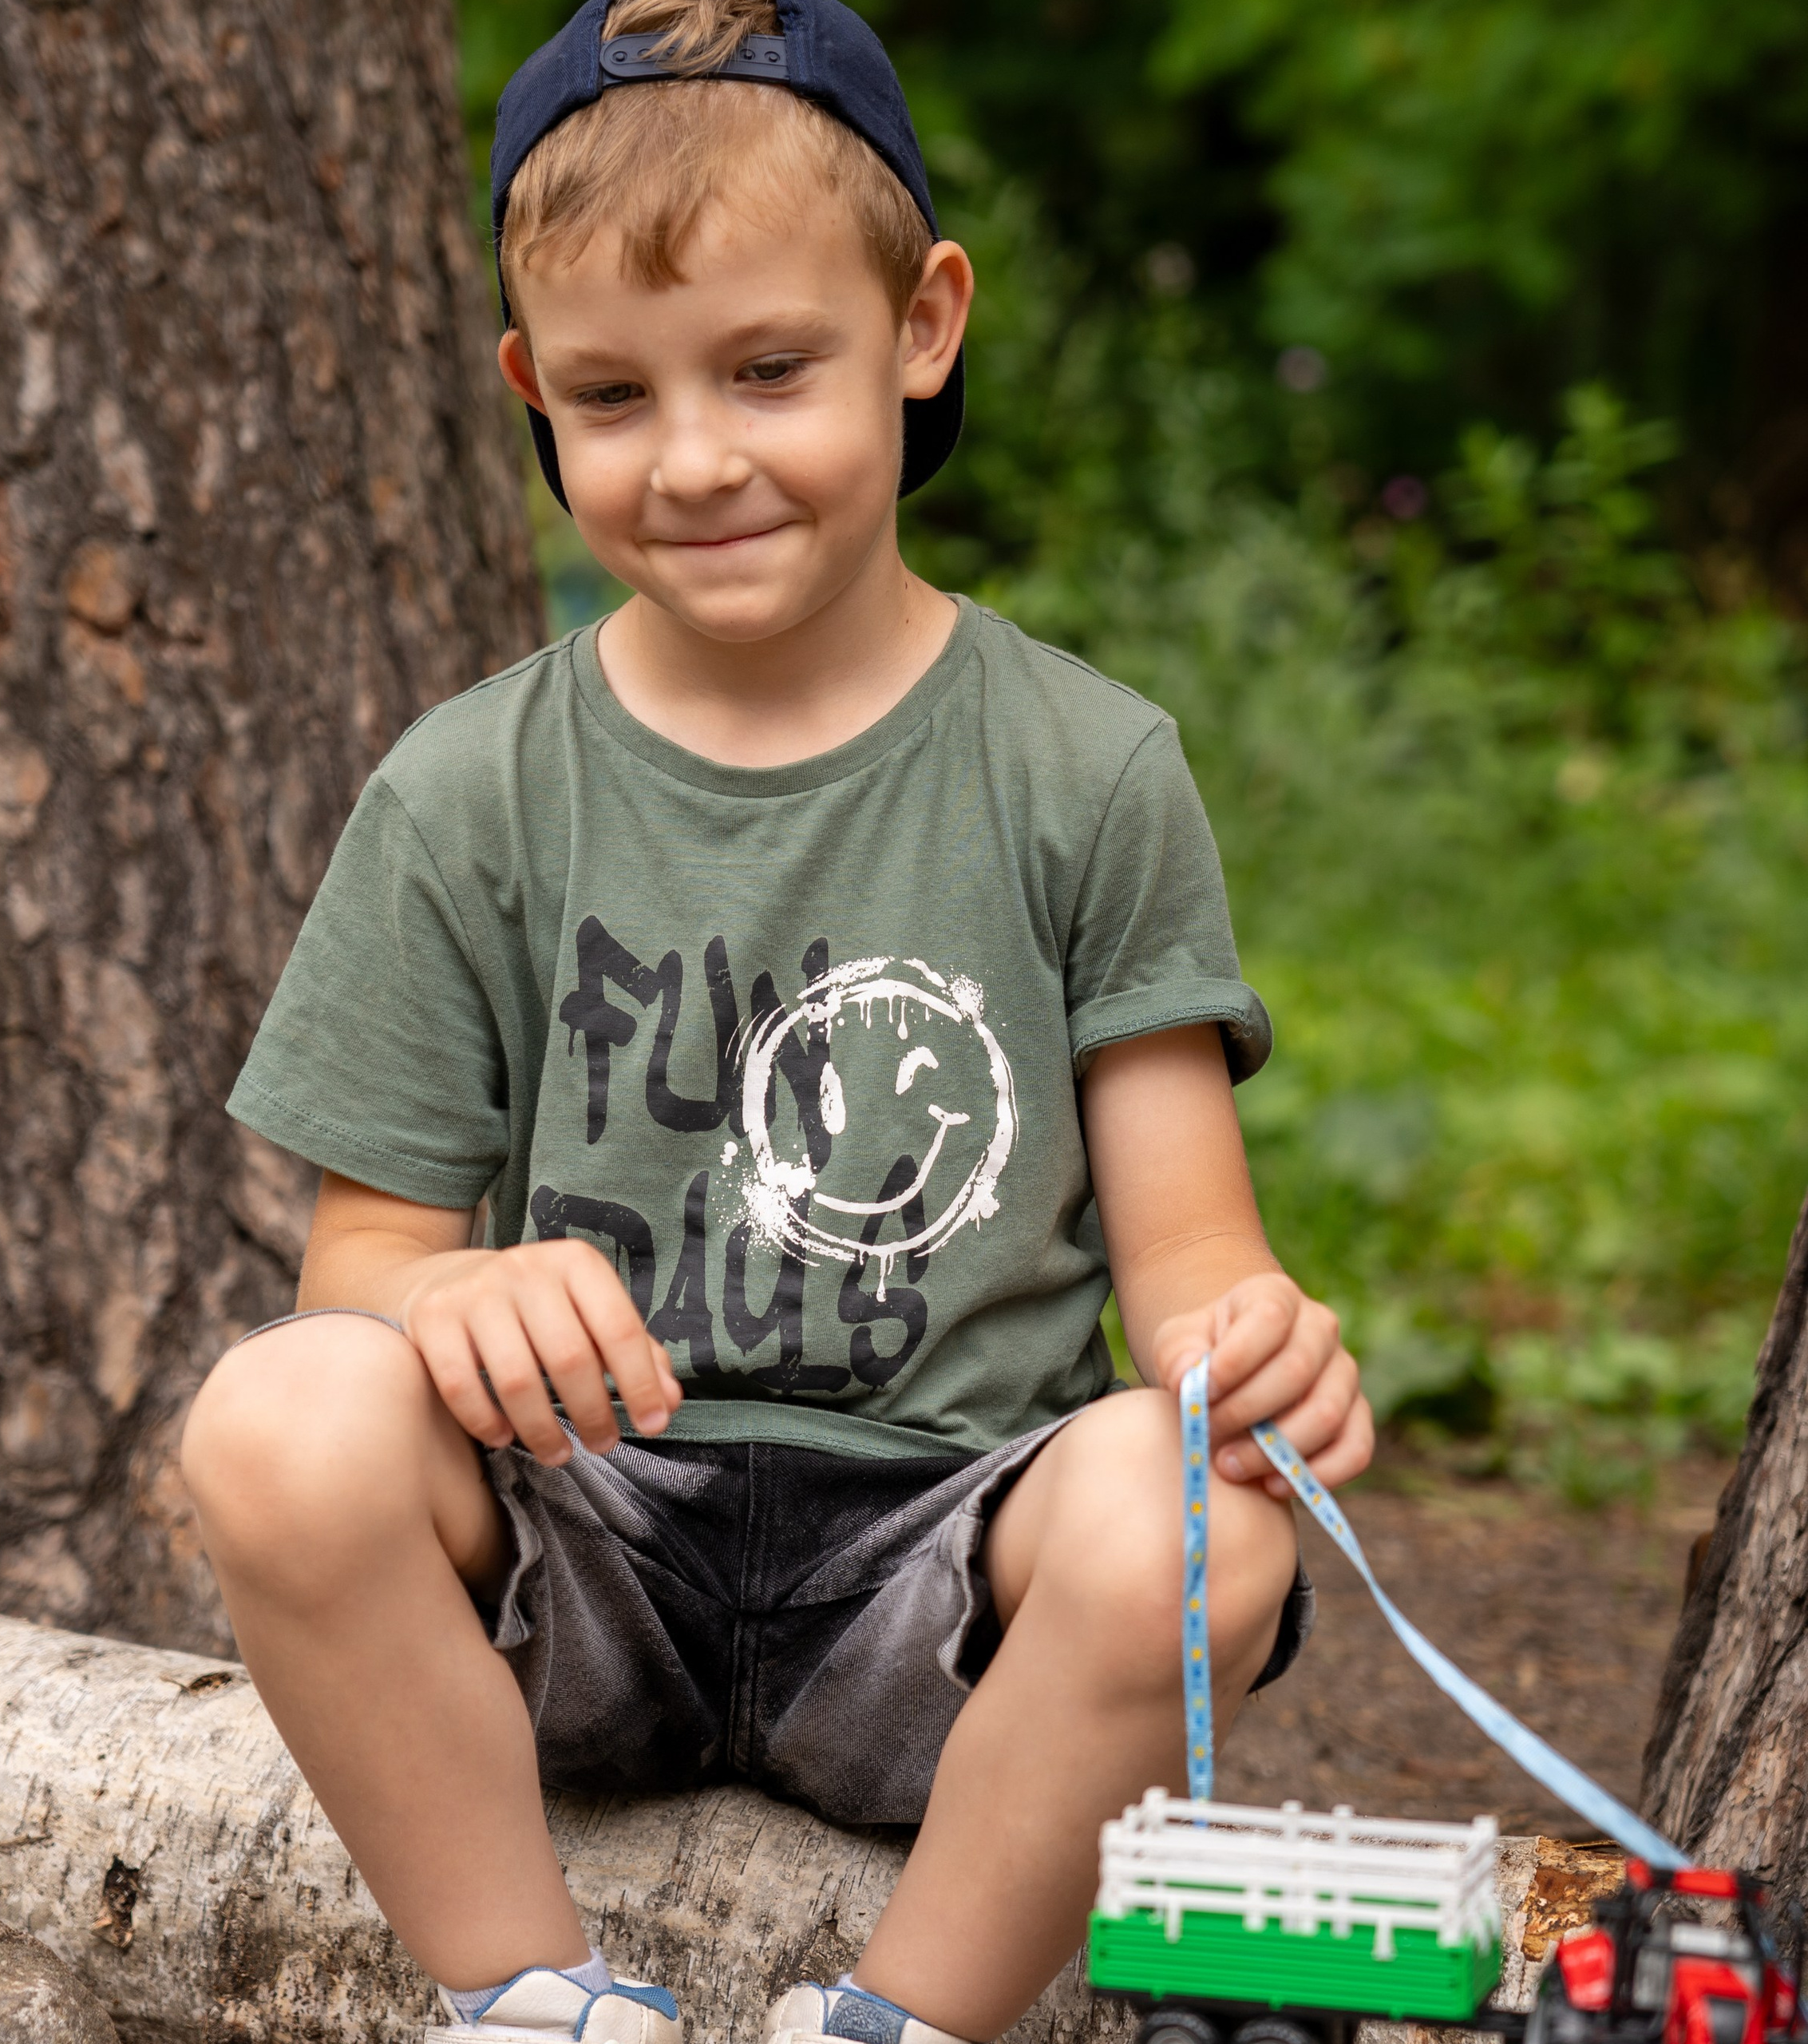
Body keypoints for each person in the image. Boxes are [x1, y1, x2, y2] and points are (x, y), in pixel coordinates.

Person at [180, 3, 1375, 2041]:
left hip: (940, 1577)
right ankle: (528, 1998)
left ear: (922, 324)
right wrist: (448, 1300)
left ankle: (902, 2018)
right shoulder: (472, 790)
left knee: (1189, 1524)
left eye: (767, 368)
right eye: (611, 395)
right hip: (587, 1547)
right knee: (271, 1417)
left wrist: (1248, 1357)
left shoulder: (1080, 768)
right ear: (526, 393)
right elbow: (358, 1273)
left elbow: (1192, 1273)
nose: (697, 456)